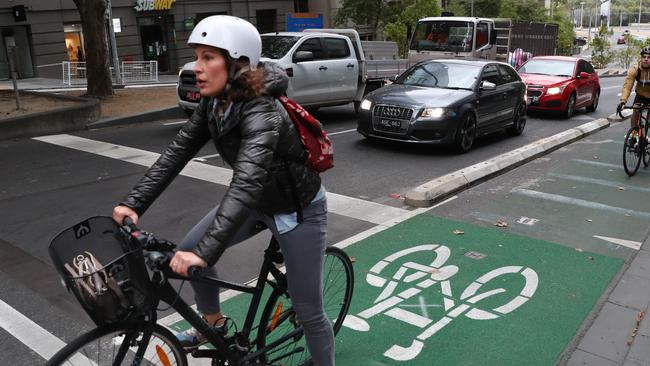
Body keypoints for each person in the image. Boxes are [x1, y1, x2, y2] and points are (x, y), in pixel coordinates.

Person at [111, 15, 334, 365]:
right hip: (257, 203)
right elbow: (176, 152)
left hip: (297, 212)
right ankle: (212, 325)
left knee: (309, 311)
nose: (195, 67)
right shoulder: (215, 103)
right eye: (196, 56)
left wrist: (205, 253)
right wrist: (133, 203)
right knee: (187, 248)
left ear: (238, 64)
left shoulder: (262, 110)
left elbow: (246, 182)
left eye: (208, 58)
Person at [618, 46, 650, 139]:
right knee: (635, 110)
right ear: (641, 58)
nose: (646, 59)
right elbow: (627, 87)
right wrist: (623, 101)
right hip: (641, 95)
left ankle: (646, 135)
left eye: (648, 57)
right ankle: (634, 133)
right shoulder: (635, 69)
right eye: (644, 57)